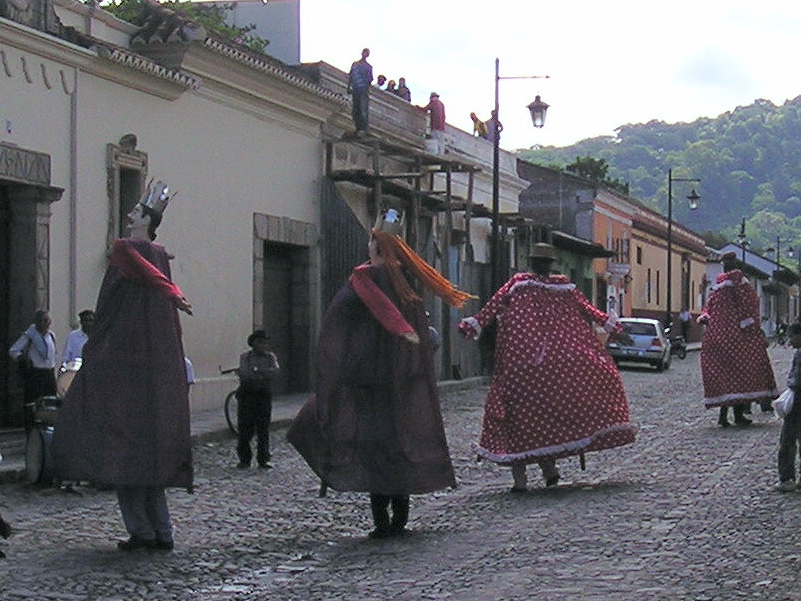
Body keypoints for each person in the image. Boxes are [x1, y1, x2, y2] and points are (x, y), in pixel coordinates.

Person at [288, 208, 475, 538]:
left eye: (372, 243)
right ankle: (397, 514)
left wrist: (396, 333)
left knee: (369, 443)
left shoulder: (366, 278)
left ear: (376, 246)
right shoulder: (404, 282)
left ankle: (384, 519)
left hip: (368, 382)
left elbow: (371, 311)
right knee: (394, 443)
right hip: (398, 382)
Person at [52, 180, 193, 552]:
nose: (130, 214)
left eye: (136, 211)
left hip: (125, 365)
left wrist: (173, 295)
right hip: (153, 366)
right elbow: (156, 280)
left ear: (146, 219)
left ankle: (143, 532)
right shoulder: (161, 254)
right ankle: (161, 531)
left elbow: (140, 278)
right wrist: (173, 296)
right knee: (150, 460)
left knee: (127, 457)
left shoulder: (126, 249)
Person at [458, 243, 637, 492]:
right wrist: (615, 328)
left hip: (518, 363)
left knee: (518, 418)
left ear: (531, 262)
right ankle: (549, 471)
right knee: (546, 416)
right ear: (550, 265)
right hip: (553, 366)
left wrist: (473, 325)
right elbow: (590, 311)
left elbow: (492, 307)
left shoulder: (518, 284)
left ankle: (521, 480)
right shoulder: (563, 288)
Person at [698, 251, 778, 427]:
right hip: (738, 335)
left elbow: (707, 309)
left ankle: (724, 415)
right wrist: (752, 327)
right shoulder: (738, 280)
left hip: (716, 336)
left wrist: (707, 321)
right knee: (743, 373)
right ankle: (738, 415)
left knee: (725, 376)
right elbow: (748, 304)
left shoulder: (717, 286)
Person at [235, 330, 280, 469]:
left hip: (263, 395)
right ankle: (244, 459)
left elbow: (275, 371)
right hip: (247, 395)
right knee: (245, 428)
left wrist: (257, 372)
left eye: (265, 342)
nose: (263, 345)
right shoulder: (245, 357)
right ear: (253, 343)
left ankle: (263, 459)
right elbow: (245, 373)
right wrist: (262, 373)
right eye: (260, 342)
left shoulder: (270, 357)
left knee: (263, 428)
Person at [8, 309, 57, 430]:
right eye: (40, 321)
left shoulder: (51, 335)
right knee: (33, 403)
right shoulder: (30, 335)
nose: (44, 324)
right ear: (36, 322)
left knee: (50, 402)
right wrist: (23, 358)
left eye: (46, 321)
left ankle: (47, 428)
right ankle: (31, 429)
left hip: (48, 373)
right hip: (35, 373)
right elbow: (13, 351)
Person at [776, 323, 801, 492]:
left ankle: (787, 478)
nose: (790, 341)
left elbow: (796, 379)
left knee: (787, 440)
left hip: (798, 401)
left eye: (792, 336)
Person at [347, 48, 373, 136]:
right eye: (364, 53)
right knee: (355, 109)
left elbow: (370, 79)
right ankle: (357, 127)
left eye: (367, 53)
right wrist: (349, 87)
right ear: (362, 53)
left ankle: (363, 129)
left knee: (362, 109)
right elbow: (350, 76)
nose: (365, 54)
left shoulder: (369, 67)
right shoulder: (355, 64)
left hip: (363, 90)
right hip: (355, 89)